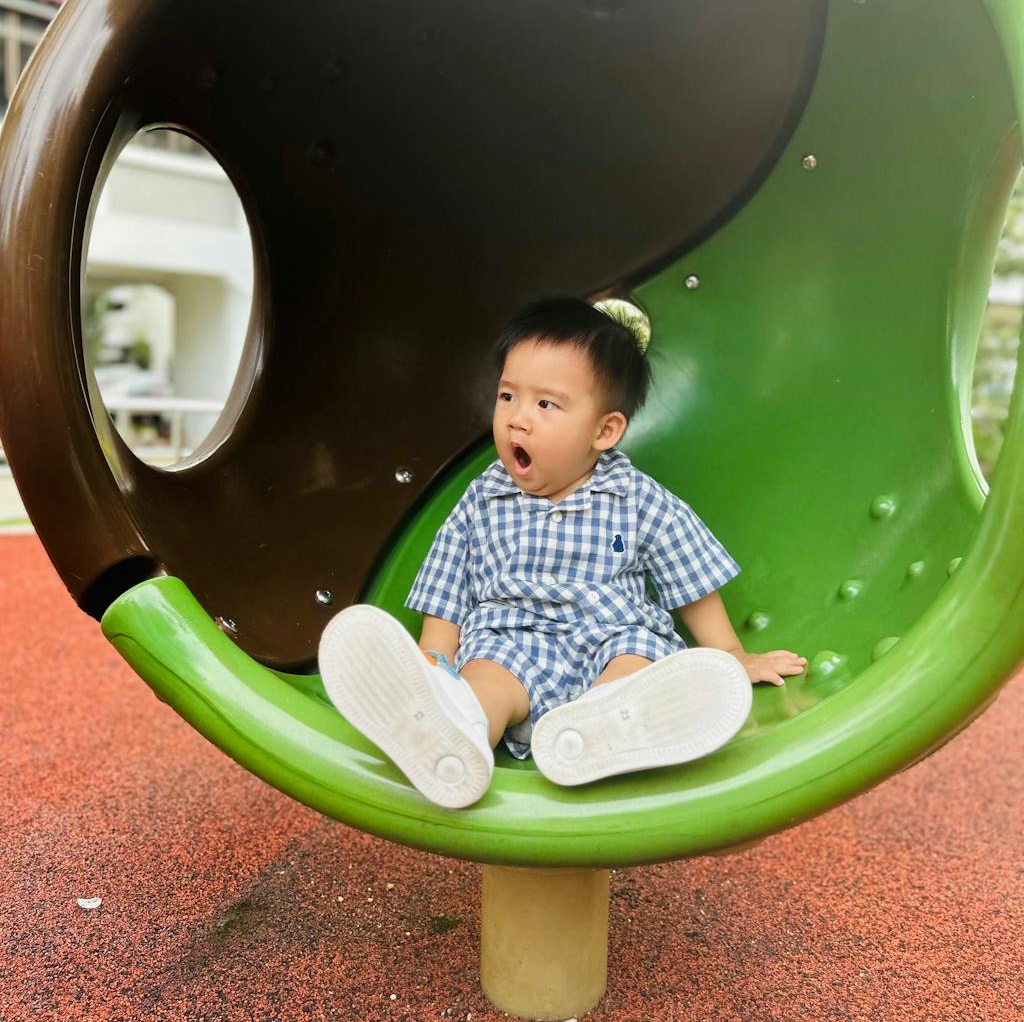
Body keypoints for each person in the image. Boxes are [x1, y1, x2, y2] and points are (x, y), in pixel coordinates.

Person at [319, 296, 806, 809]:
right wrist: (435, 658)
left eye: (545, 405)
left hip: (612, 634)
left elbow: (688, 571)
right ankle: (453, 733)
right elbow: (451, 575)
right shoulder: (484, 496)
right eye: (507, 396)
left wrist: (729, 654)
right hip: (512, 639)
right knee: (484, 681)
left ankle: (605, 730)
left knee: (636, 659)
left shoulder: (635, 497)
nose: (517, 420)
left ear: (604, 431)